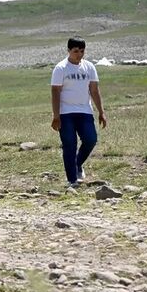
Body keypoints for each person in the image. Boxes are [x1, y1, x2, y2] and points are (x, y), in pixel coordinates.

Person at [51, 37, 107, 187]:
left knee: (90, 139)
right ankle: (72, 180)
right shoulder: (61, 68)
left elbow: (94, 90)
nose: (79, 54)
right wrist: (56, 116)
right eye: (76, 51)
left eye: (82, 51)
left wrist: (101, 111)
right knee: (69, 144)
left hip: (84, 110)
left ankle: (77, 163)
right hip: (65, 112)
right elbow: (55, 91)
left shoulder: (89, 67)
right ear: (69, 50)